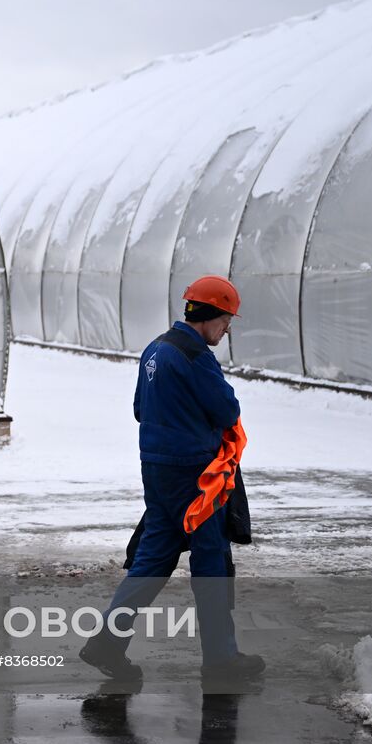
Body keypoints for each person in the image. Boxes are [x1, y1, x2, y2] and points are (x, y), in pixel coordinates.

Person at [80, 275, 265, 684]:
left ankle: (106, 643)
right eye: (226, 320)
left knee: (152, 559)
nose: (227, 329)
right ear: (210, 316)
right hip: (196, 477)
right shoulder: (196, 355)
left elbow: (138, 409)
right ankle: (221, 658)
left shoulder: (155, 349)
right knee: (211, 560)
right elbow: (226, 409)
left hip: (156, 470)